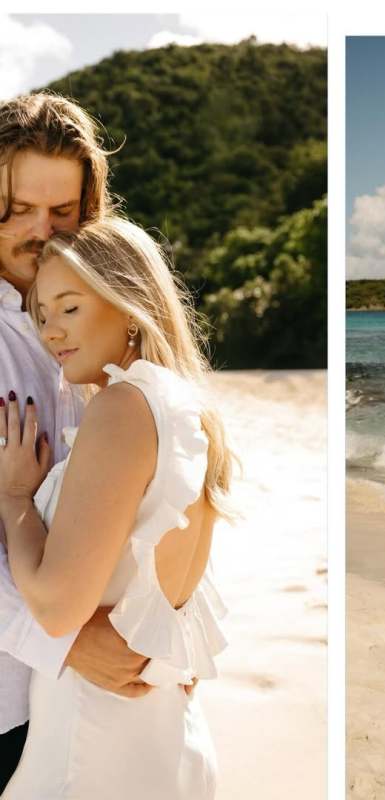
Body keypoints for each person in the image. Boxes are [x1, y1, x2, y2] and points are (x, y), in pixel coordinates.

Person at [0, 216, 232, 798]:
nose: (52, 332)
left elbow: (57, 610)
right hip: (168, 738)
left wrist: (14, 497)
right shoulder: (187, 408)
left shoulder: (120, 409)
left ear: (129, 305)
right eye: (42, 315)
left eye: (70, 307)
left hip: (91, 742)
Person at [0, 92, 155, 792]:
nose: (41, 232)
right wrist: (64, 639)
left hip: (83, 703)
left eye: (62, 211)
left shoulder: (109, 321)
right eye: (17, 209)